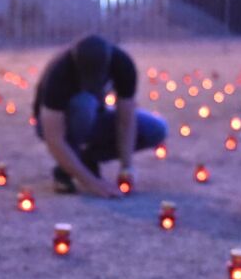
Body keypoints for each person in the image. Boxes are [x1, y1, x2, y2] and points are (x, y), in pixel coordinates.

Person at [34, 34, 166, 197]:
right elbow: (54, 138)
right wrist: (92, 183)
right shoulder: (59, 72)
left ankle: (85, 159)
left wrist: (126, 168)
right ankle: (66, 169)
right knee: (85, 104)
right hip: (54, 126)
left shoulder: (122, 64)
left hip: (94, 118)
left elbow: (125, 121)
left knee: (156, 129)